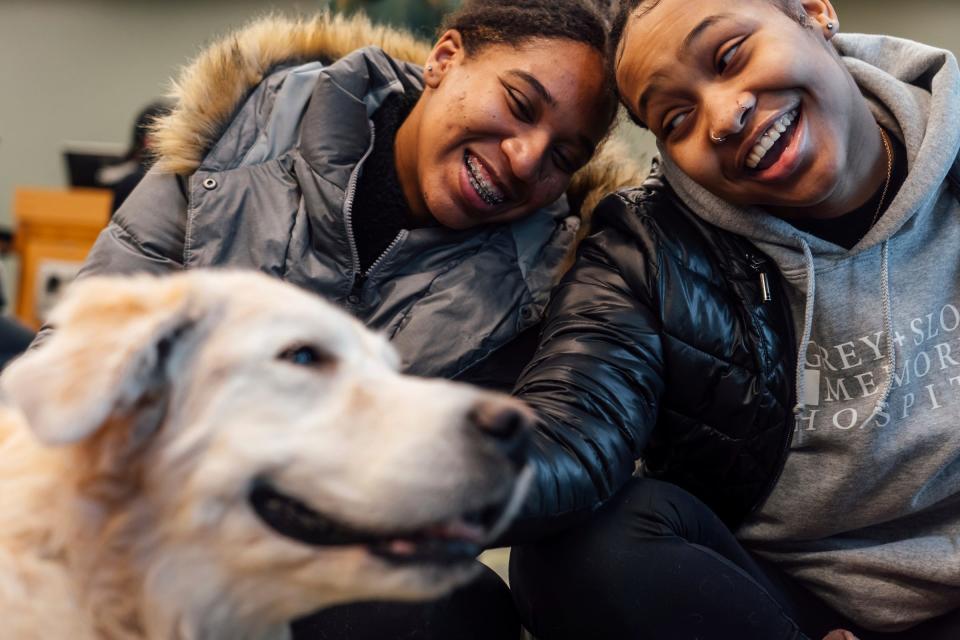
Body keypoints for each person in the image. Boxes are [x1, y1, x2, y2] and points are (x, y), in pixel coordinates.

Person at [70, 1, 632, 638]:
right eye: (520, 104)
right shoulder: (234, 140)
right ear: (445, 59)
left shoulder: (558, 276)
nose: (528, 159)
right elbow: (86, 349)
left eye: (564, 156)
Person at [505, 0, 960, 639]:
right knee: (579, 545)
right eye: (677, 116)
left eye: (729, 55)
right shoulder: (646, 249)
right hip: (779, 605)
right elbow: (570, 426)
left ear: (815, 13)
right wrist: (416, 485)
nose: (725, 116)